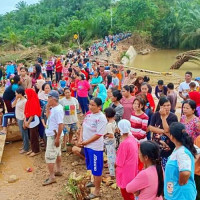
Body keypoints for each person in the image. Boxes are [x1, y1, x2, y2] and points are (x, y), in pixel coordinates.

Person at [78, 98, 107, 199]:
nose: (90, 106)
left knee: (97, 170)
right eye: (89, 104)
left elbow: (99, 134)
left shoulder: (101, 118)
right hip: (87, 146)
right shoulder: (89, 114)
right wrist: (81, 138)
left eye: (93, 105)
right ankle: (94, 182)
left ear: (99, 107)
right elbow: (83, 126)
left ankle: (97, 191)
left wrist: (86, 142)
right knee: (91, 167)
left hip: (95, 148)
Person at [164, 122, 197, 200]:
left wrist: (180, 183)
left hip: (181, 194)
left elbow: (185, 172)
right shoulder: (178, 149)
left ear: (172, 136)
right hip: (175, 193)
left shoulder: (182, 152)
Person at [149, 96, 178, 169]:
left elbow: (168, 130)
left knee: (165, 167)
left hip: (168, 146)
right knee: (156, 167)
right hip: (156, 144)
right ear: (160, 106)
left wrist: (164, 117)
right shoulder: (156, 114)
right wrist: (163, 131)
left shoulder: (173, 117)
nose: (167, 107)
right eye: (164, 105)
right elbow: (151, 128)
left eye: (168, 105)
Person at [43, 90, 64, 186]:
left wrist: (57, 138)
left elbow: (61, 125)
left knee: (49, 156)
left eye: (49, 97)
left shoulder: (58, 110)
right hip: (53, 134)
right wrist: (47, 108)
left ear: (53, 99)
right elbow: (48, 117)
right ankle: (59, 170)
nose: (47, 99)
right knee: (57, 153)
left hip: (54, 135)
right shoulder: (54, 108)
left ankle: (52, 177)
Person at [116, 119, 138, 200]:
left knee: (126, 193)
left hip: (125, 171)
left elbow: (119, 162)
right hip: (132, 169)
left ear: (119, 129)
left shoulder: (124, 144)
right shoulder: (132, 138)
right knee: (131, 192)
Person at [24, 89, 41, 157]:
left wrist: (27, 122)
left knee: (34, 136)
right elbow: (26, 112)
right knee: (31, 136)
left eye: (26, 94)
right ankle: (33, 149)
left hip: (33, 121)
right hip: (29, 120)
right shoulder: (29, 101)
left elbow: (33, 113)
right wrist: (25, 121)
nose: (25, 95)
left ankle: (36, 150)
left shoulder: (33, 101)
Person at [12, 87, 29, 154]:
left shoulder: (24, 101)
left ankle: (26, 148)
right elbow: (12, 105)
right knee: (22, 133)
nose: (15, 94)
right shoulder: (18, 99)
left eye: (16, 93)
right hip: (18, 118)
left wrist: (25, 121)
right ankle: (25, 146)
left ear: (20, 94)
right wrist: (16, 99)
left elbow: (25, 112)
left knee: (24, 133)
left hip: (22, 119)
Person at [104, 107, 117, 179]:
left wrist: (104, 135)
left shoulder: (109, 124)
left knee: (110, 158)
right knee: (113, 157)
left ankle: (112, 174)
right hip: (113, 142)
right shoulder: (114, 121)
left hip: (109, 143)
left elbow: (111, 135)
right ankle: (112, 171)